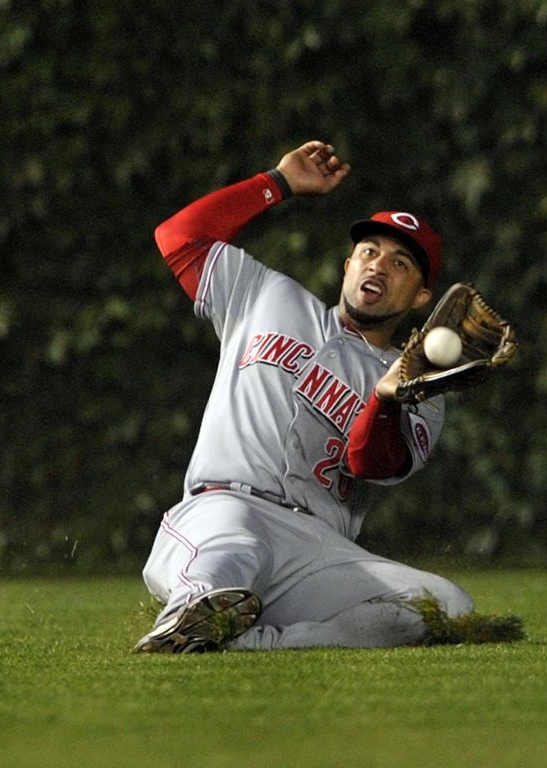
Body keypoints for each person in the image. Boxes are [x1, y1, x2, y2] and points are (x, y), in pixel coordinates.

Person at [134, 140, 474, 653]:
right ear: (347, 265)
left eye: (401, 263)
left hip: (316, 550)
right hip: (227, 507)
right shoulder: (266, 296)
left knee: (448, 606)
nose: (378, 266)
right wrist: (278, 183)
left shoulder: (418, 387)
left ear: (422, 297)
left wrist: (385, 398)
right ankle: (198, 606)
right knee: (229, 556)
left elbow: (370, 463)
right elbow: (178, 236)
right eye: (369, 252)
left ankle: (257, 641)